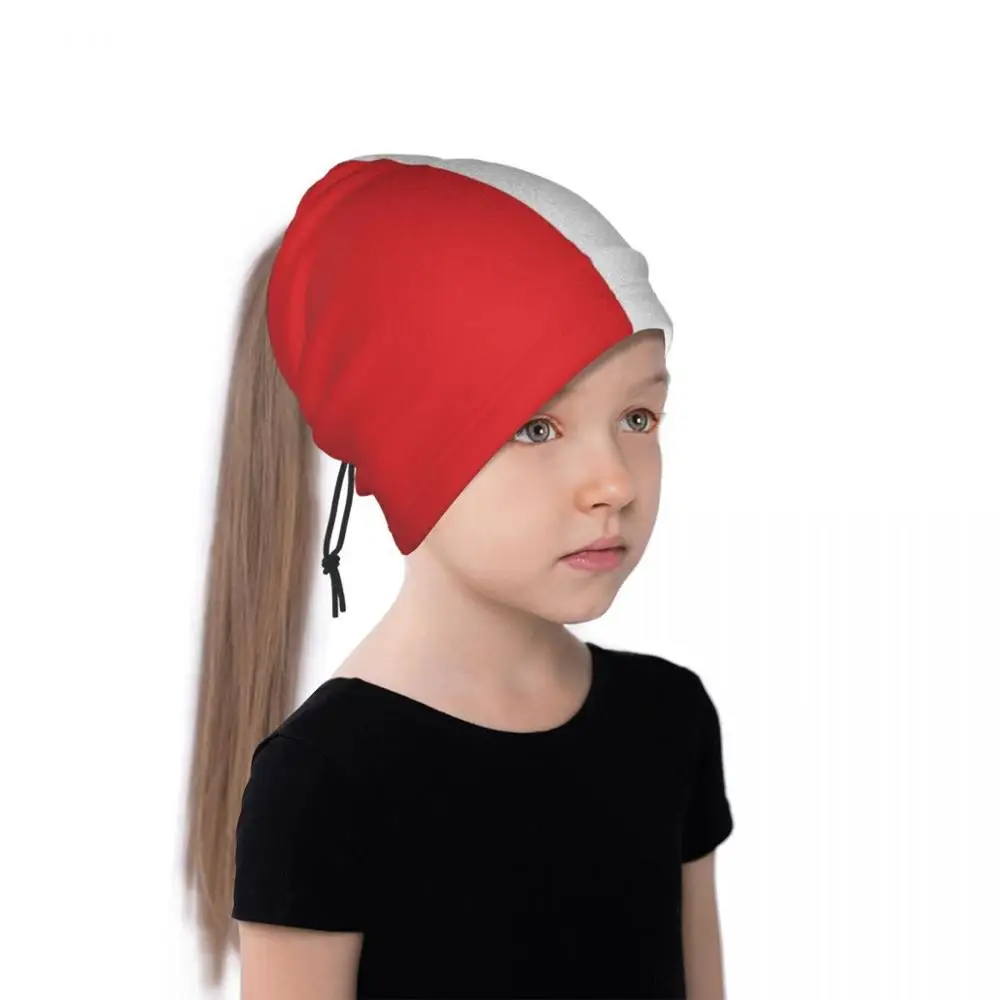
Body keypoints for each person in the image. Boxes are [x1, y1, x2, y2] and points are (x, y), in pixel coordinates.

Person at [183, 153, 735, 999]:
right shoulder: (326, 782)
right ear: (399, 449)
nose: (615, 483)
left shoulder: (669, 719)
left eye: (637, 416)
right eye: (537, 427)